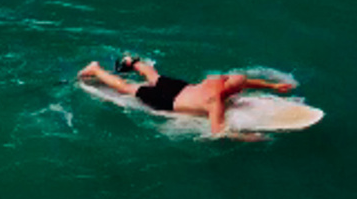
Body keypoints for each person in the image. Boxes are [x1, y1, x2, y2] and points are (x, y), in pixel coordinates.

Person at [78, 54, 297, 140]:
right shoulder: (215, 102)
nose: (241, 91)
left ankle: (131, 62)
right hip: (170, 102)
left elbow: (246, 81)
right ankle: (96, 70)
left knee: (154, 76)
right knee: (126, 89)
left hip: (180, 88)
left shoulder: (219, 79)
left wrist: (273, 85)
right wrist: (250, 137)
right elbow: (218, 131)